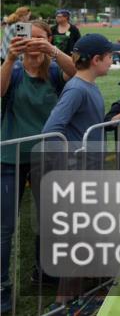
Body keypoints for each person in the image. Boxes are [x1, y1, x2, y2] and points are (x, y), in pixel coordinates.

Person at [0, 21, 75, 309]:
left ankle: (44, 271)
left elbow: (77, 74)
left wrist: (53, 51)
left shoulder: (55, 72)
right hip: (10, 157)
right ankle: (3, 289)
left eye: (39, 38)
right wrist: (9, 57)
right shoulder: (14, 72)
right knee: (5, 226)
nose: (33, 43)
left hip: (47, 157)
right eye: (27, 38)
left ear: (48, 40)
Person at [41, 34, 114, 144]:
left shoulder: (89, 84)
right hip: (81, 160)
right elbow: (50, 132)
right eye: (110, 57)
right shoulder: (76, 90)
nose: (111, 62)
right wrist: (71, 157)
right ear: (96, 59)